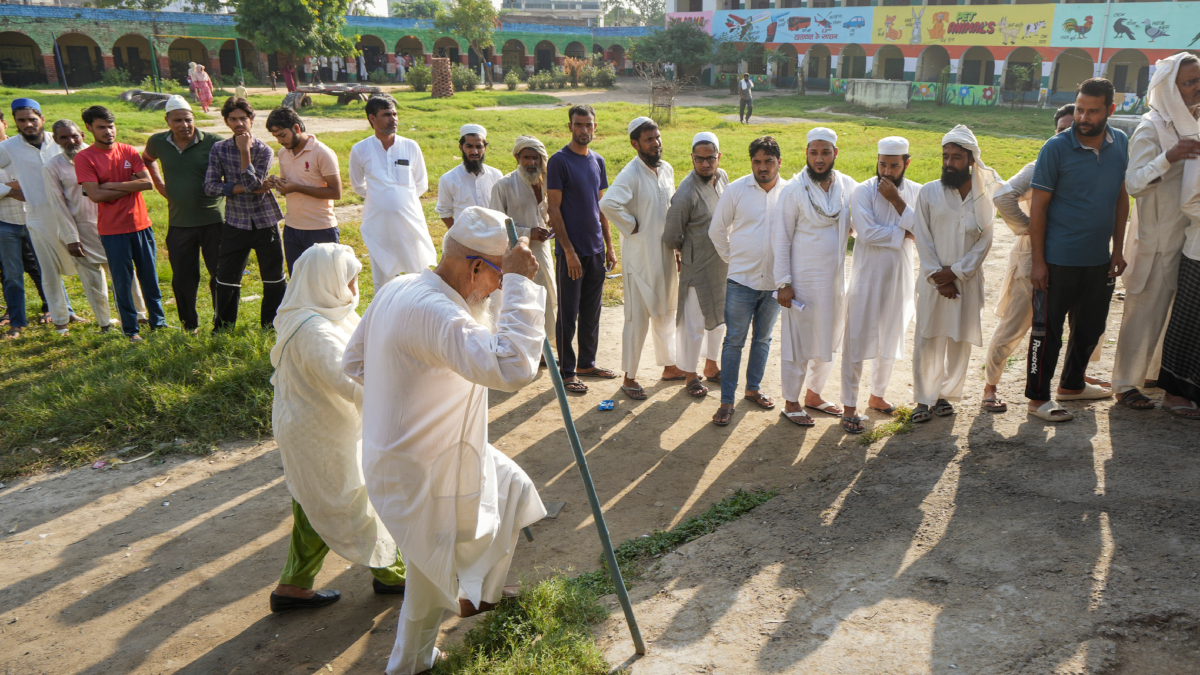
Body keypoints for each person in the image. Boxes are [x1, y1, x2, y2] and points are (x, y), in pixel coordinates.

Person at [344, 207, 547, 675]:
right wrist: (520, 284)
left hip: (423, 450)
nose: (497, 289)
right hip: (418, 468)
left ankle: (473, 590)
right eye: (497, 277)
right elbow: (514, 366)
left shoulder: (402, 286)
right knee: (428, 572)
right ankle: (413, 661)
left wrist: (411, 398)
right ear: (477, 267)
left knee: (513, 487)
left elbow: (355, 363)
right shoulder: (436, 312)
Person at [268, 243, 406, 613]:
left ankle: (294, 586)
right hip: (316, 434)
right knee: (349, 502)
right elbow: (347, 379)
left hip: (323, 428)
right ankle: (393, 575)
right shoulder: (312, 329)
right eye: (350, 281)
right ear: (327, 283)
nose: (355, 289)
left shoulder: (324, 313)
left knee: (316, 505)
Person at [987, 105, 1108, 412]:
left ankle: (1075, 379)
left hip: (1075, 256)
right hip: (1034, 257)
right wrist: (1033, 230)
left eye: (1075, 129)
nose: (1069, 136)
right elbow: (1002, 196)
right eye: (1062, 130)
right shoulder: (1041, 163)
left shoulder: (1092, 165)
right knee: (1017, 323)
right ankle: (990, 387)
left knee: (1082, 321)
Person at [1025, 78, 1130, 422]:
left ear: (1110, 110)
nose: (1083, 117)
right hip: (1057, 260)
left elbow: (1119, 197)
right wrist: (1038, 262)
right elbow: (1037, 208)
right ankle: (1037, 399)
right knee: (1047, 332)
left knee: (1090, 328)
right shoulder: (1055, 148)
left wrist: (1118, 249)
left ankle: (1071, 385)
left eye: (1092, 111)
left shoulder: (1121, 144)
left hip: (1099, 259)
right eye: (1080, 109)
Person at [1113, 53, 1200, 412]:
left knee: (1173, 316)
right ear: (1169, 88)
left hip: (1188, 239)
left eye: (1199, 80)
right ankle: (1125, 384)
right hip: (1154, 238)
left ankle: (1156, 377)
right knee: (1143, 312)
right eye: (1189, 82)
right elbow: (1133, 183)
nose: (1197, 87)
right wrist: (1170, 156)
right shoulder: (1153, 127)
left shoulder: (1194, 121)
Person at [910, 126, 998, 423]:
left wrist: (957, 273)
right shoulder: (929, 192)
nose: (949, 163)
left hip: (967, 281)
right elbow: (922, 236)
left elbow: (986, 240)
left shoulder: (983, 195)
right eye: (945, 156)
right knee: (928, 338)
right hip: (933, 281)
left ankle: (946, 396)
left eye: (956, 157)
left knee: (958, 341)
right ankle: (923, 399)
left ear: (971, 160)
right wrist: (939, 275)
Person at [772, 127, 857, 430]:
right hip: (802, 282)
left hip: (834, 281)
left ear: (836, 153)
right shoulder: (793, 190)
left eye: (825, 152)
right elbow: (780, 238)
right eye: (813, 152)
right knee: (798, 343)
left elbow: (861, 222)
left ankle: (814, 394)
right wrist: (783, 283)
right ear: (806, 153)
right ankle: (791, 401)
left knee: (829, 338)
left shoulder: (847, 186)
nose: (819, 159)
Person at [600, 117, 685, 400]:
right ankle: (630, 377)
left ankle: (670, 366)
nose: (656, 143)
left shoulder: (666, 169)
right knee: (637, 318)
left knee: (665, 311)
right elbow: (608, 203)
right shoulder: (631, 173)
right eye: (649, 139)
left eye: (657, 137)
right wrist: (630, 224)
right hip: (639, 259)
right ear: (635, 144)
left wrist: (677, 246)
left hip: (663, 253)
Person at [708, 136, 788, 426]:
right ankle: (726, 401)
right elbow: (717, 230)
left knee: (763, 338)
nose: (762, 167)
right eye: (757, 161)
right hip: (741, 281)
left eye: (768, 161)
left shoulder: (790, 192)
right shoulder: (737, 189)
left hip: (775, 283)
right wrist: (735, 259)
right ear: (751, 163)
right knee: (734, 341)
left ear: (779, 162)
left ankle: (753, 389)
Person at [842, 136, 920, 428]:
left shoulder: (916, 192)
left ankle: (877, 396)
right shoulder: (862, 191)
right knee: (856, 339)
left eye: (894, 166)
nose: (886, 171)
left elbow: (923, 229)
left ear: (906, 164)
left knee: (890, 334)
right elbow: (866, 232)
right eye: (882, 164)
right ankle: (849, 406)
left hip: (899, 275)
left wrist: (896, 202)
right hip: (866, 276)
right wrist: (904, 232)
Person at [75, 106, 168, 342]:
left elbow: (146, 184)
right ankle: (131, 330)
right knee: (122, 282)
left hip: (141, 225)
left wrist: (108, 185)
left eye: (111, 126)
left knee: (150, 278)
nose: (108, 132)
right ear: (89, 128)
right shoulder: (84, 158)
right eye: (101, 127)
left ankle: (159, 323)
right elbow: (94, 195)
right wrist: (127, 183)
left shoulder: (128, 151)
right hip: (112, 231)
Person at [45, 119, 146, 333]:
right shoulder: (52, 167)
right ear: (55, 140)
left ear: (82, 134)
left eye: (74, 135)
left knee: (126, 272)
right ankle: (105, 322)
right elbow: (58, 205)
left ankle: (140, 315)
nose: (71, 141)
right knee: (92, 279)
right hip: (81, 228)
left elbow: (135, 182)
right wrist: (71, 237)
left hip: (113, 222)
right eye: (63, 137)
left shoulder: (100, 156)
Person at [0, 98, 88, 336]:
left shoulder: (59, 139)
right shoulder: (8, 148)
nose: (28, 124)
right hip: (25, 219)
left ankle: (75, 313)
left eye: (32, 119)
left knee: (71, 267)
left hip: (65, 215)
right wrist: (9, 190)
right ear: (15, 123)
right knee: (31, 274)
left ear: (42, 119)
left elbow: (89, 161)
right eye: (22, 121)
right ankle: (38, 321)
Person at [546, 104, 618, 393]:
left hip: (596, 250)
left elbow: (601, 208)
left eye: (588, 124)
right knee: (568, 312)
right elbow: (553, 209)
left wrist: (610, 246)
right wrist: (569, 250)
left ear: (595, 127)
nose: (584, 130)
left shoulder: (597, 161)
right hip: (571, 254)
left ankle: (587, 363)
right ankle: (566, 370)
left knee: (592, 310)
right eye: (578, 124)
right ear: (570, 127)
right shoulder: (559, 161)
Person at [203, 97, 287, 331]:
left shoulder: (264, 150)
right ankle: (224, 327)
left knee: (273, 277)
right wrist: (239, 188)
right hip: (235, 221)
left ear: (251, 120)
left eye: (243, 118)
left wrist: (244, 152)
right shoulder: (218, 149)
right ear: (227, 122)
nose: (239, 123)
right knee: (226, 277)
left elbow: (251, 182)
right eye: (233, 119)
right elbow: (210, 187)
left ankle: (272, 325)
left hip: (265, 220)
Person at [143, 95, 224, 332]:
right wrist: (158, 184)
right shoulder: (158, 142)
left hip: (214, 221)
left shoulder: (214, 142)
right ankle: (190, 326)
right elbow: (147, 159)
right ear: (167, 120)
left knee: (219, 275)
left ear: (194, 118)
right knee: (183, 279)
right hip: (179, 223)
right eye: (177, 120)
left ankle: (222, 322)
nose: (184, 125)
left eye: (188, 120)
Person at [663, 132, 728, 397]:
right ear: (692, 158)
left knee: (719, 320)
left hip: (722, 265)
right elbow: (671, 236)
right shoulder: (686, 192)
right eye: (699, 159)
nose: (705, 164)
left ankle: (711, 367)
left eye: (710, 158)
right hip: (696, 267)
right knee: (692, 323)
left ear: (718, 157)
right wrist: (685, 253)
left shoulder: (722, 177)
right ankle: (690, 374)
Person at [349, 95, 436, 290]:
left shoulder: (410, 146)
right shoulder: (360, 149)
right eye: (387, 114)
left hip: (409, 221)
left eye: (395, 114)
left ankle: (418, 314)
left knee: (417, 274)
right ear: (372, 118)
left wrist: (399, 200)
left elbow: (421, 184)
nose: (393, 119)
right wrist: (381, 198)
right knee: (383, 278)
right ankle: (386, 317)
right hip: (378, 223)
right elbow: (357, 185)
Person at [489, 135, 558, 350]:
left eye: (536, 158)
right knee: (522, 302)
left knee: (547, 298)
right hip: (516, 256)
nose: (532, 163)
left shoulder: (547, 183)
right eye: (527, 157)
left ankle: (542, 351)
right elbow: (496, 224)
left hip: (543, 253)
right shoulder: (504, 185)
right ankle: (523, 349)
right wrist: (528, 232)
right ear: (517, 157)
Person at [264, 106, 342, 275]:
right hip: (292, 228)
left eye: (282, 135)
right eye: (275, 136)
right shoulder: (284, 153)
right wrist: (277, 183)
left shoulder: (322, 152)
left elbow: (336, 192)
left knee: (325, 282)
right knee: (298, 282)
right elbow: (287, 188)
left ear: (296, 128)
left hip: (320, 229)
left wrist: (296, 188)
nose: (279, 141)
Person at [436, 124, 503, 227]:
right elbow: (444, 212)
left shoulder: (496, 175)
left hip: (494, 235)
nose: (474, 151)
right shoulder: (448, 179)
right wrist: (458, 234)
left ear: (485, 148)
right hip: (464, 238)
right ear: (461, 147)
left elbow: (503, 208)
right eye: (469, 146)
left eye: (479, 146)